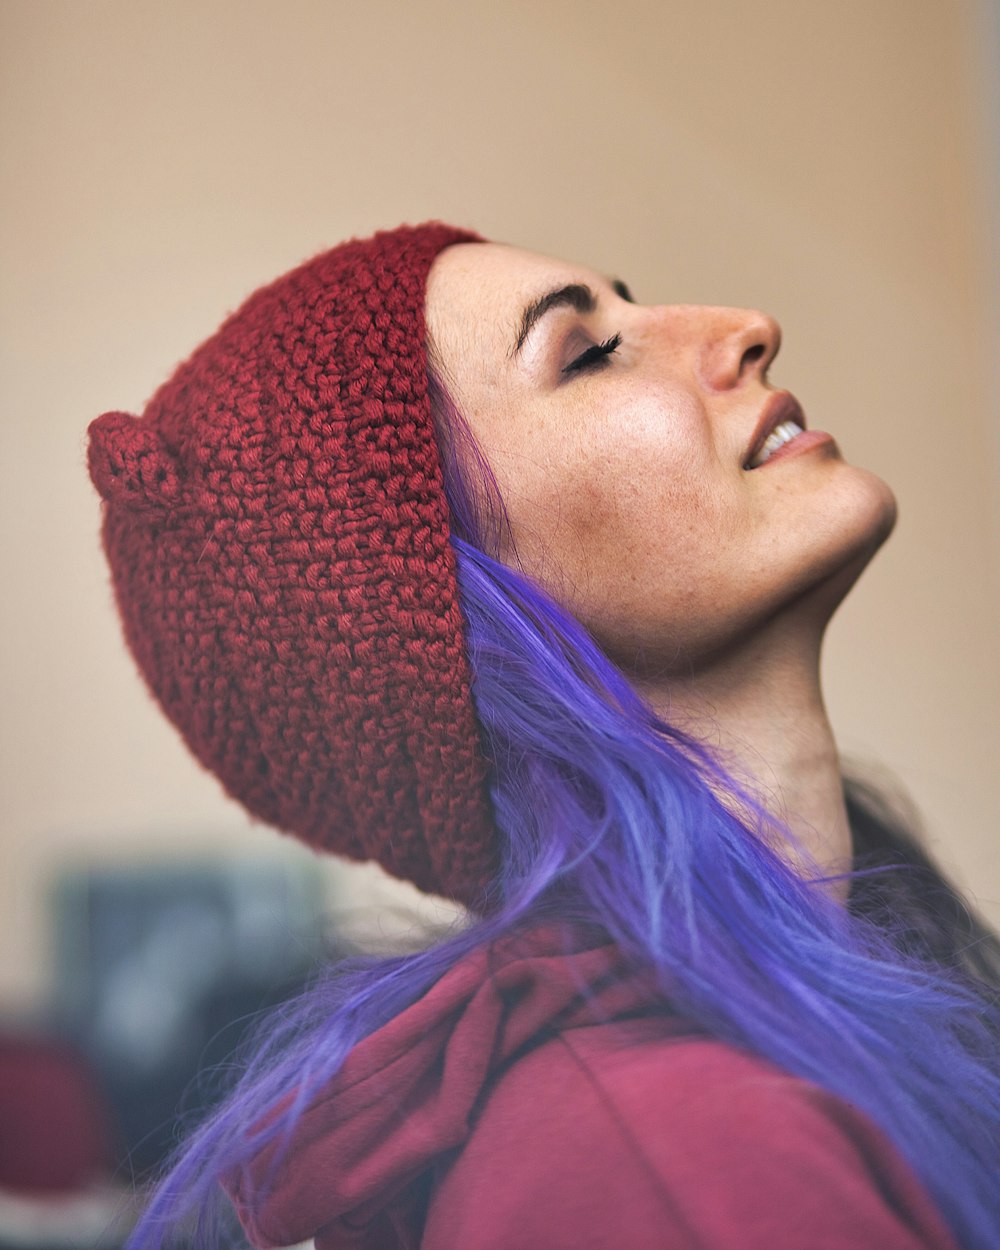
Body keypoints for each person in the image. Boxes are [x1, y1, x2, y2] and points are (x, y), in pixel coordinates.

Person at [87, 223, 1000, 1250]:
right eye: (589, 351)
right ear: (451, 610)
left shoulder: (772, 1075)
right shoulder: (683, 1168)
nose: (749, 328)